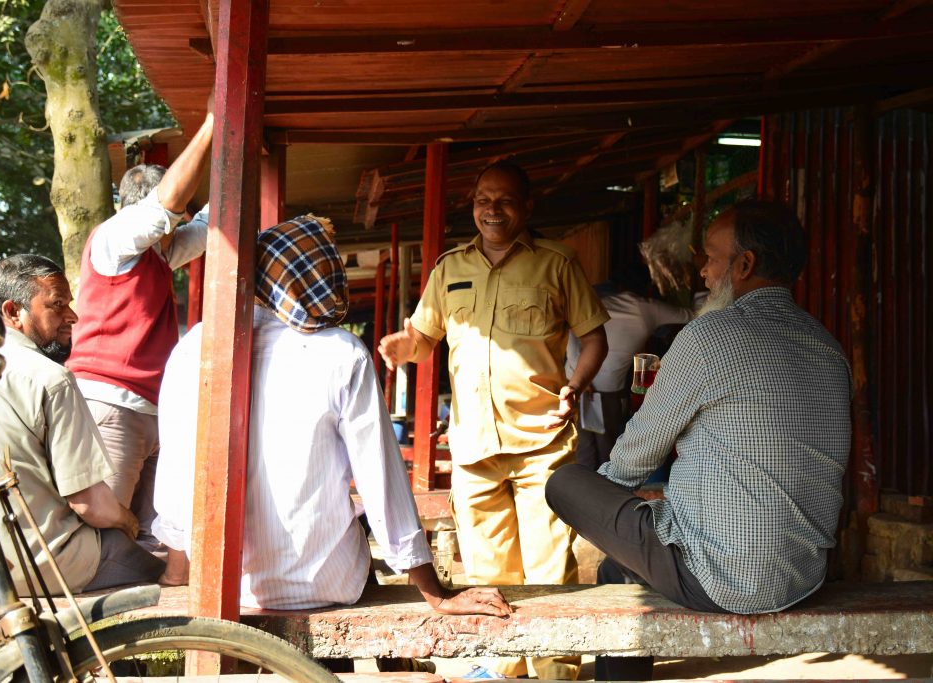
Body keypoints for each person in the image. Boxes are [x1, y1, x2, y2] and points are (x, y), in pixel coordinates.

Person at [545, 200, 852, 680]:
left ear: (744, 265)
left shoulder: (710, 335)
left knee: (565, 483)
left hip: (726, 581)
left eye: (710, 257)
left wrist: (610, 504)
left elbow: (631, 458)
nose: (703, 272)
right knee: (619, 570)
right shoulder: (828, 347)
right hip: (805, 575)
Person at [152, 216, 511, 622]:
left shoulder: (193, 349)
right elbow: (381, 481)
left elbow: (176, 478)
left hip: (227, 587)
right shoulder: (341, 352)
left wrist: (180, 573)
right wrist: (434, 594)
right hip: (326, 585)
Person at [378, 161, 609, 681]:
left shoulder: (557, 263)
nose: (492, 209)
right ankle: (506, 670)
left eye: (504, 200)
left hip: (542, 442)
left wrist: (576, 382)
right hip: (473, 447)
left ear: (526, 208)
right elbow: (423, 337)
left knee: (549, 571)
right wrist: (403, 345)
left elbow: (594, 337)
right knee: (488, 574)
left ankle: (554, 672)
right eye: (483, 199)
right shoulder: (449, 269)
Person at [0, 255, 164, 595]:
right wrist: (128, 521)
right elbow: (90, 505)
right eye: (57, 305)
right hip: (30, 566)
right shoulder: (50, 378)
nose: (72, 317)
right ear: (13, 312)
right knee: (164, 570)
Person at [66, 105, 214, 549]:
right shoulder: (113, 238)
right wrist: (210, 124)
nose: (178, 226)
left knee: (149, 540)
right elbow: (168, 210)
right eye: (173, 218)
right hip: (109, 405)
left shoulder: (160, 254)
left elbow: (211, 223)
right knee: (103, 539)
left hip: (150, 411)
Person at [565, 263, 694, 469]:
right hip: (608, 391)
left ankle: (583, 495)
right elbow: (691, 315)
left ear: (616, 284)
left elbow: (569, 331)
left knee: (583, 451)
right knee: (609, 452)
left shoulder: (596, 301)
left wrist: (577, 378)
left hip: (575, 384)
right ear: (648, 286)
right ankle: (605, 495)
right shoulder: (647, 308)